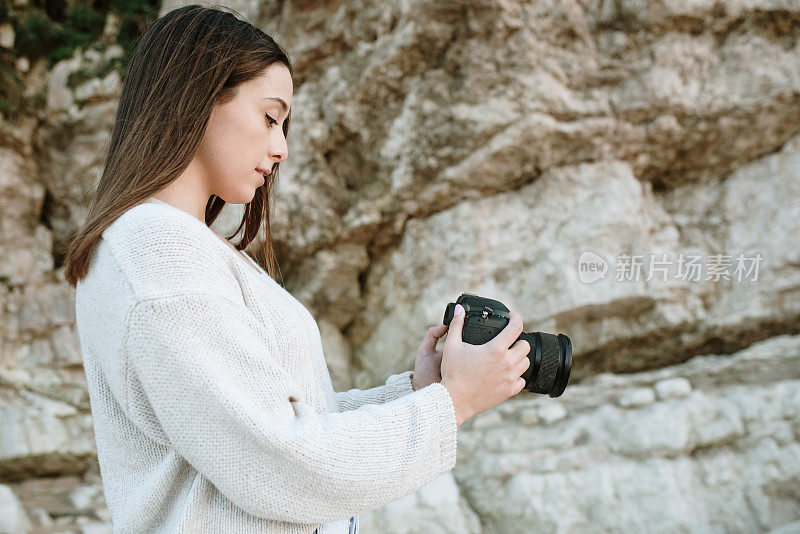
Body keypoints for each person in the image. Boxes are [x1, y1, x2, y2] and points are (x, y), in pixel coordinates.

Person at [63, 5, 531, 533]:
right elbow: (276, 460)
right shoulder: (156, 249)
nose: (281, 148)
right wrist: (453, 403)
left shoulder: (166, 248)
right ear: (199, 97)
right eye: (270, 117)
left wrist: (416, 394)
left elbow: (275, 427)